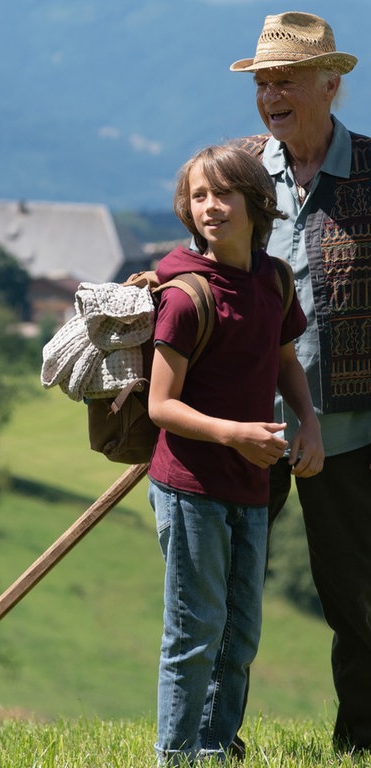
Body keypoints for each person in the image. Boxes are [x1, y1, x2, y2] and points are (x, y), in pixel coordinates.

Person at [147, 144, 323, 765]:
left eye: (223, 194)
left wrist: (309, 423)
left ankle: (216, 750)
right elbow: (160, 406)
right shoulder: (186, 294)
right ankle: (176, 755)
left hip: (251, 483)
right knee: (194, 633)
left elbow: (284, 359)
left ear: (256, 202)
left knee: (240, 633)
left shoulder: (272, 279)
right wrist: (235, 435)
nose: (210, 207)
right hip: (190, 485)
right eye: (198, 196)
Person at [229, 11, 371, 752]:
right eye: (262, 83)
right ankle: (213, 740)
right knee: (226, 594)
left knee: (360, 600)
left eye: (286, 82)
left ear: (331, 83)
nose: (271, 96)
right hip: (251, 428)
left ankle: (363, 742)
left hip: (355, 433)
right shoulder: (240, 174)